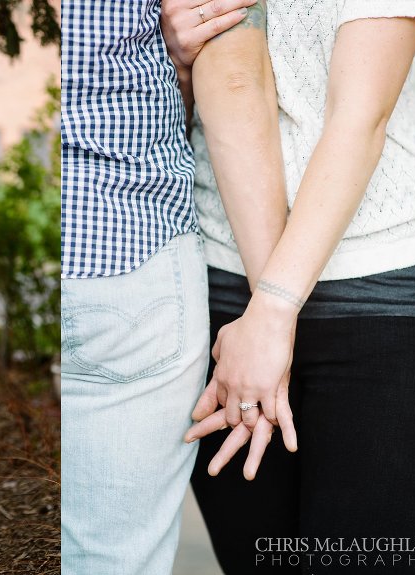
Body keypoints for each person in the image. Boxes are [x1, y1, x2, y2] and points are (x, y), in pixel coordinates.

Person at [164, 2, 415, 573]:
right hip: (227, 301)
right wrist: (180, 66)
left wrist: (270, 314)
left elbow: (359, 118)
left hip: (386, 298)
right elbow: (229, 82)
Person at [60, 1, 289, 573]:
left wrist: (169, 68)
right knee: (114, 556)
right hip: (129, 253)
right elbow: (234, 81)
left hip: (83, 251)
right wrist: (273, 310)